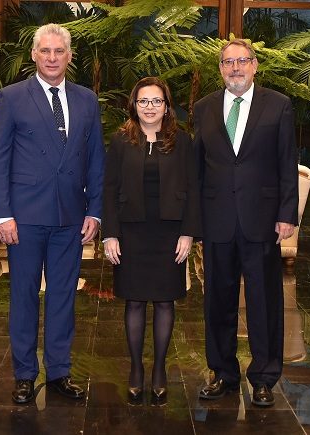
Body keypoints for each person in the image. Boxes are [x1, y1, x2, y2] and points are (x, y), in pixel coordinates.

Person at [0, 24, 105, 404]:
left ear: (70, 56)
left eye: (59, 51)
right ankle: (24, 374)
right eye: (45, 51)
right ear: (34, 55)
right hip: (23, 217)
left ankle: (59, 372)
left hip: (71, 217)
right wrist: (1, 214)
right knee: (23, 295)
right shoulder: (12, 97)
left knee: (62, 297)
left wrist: (96, 212)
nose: (52, 58)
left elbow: (96, 160)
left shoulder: (87, 100)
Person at [194, 39, 298, 407]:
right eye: (228, 62)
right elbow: (197, 168)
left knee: (263, 301)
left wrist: (288, 214)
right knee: (217, 301)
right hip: (217, 220)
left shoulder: (278, 106)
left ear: (255, 66)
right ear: (220, 68)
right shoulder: (203, 108)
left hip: (262, 221)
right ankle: (223, 372)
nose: (235, 68)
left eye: (242, 61)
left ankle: (265, 377)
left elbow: (287, 164)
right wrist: (195, 221)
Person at [103, 77, 201, 402]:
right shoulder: (120, 141)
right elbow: (109, 188)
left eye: (156, 101)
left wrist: (188, 232)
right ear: (134, 105)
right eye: (143, 101)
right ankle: (135, 370)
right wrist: (110, 235)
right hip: (130, 232)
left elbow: (193, 190)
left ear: (166, 106)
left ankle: (159, 370)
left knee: (164, 301)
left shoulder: (182, 140)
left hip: (169, 233)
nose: (149, 107)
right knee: (133, 301)